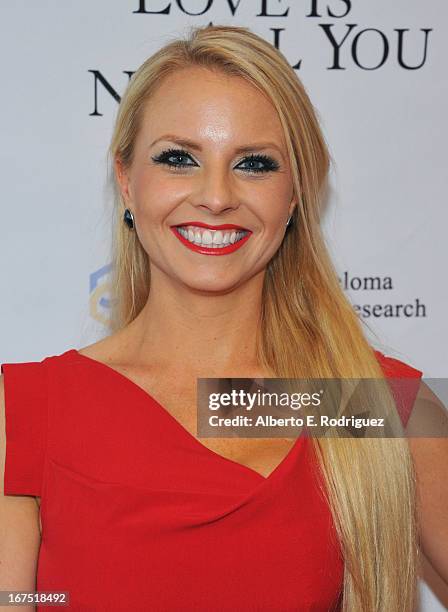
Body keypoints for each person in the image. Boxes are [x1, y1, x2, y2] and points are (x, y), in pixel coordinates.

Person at [1, 24, 447, 612]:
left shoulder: (374, 402)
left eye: (256, 163)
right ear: (127, 181)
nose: (215, 196)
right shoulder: (30, 409)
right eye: (179, 158)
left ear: (295, 197)